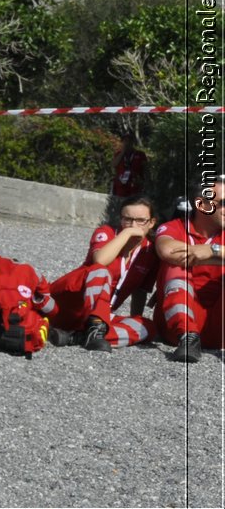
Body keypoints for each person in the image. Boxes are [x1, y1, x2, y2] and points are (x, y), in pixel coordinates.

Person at [45, 197, 159, 350]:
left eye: (140, 220)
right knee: (100, 270)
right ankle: (94, 329)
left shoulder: (149, 252)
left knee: (147, 327)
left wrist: (134, 318)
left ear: (151, 223)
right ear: (120, 219)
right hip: (65, 303)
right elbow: (100, 260)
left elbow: (140, 291)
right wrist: (127, 233)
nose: (133, 225)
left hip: (95, 316)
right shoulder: (106, 232)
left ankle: (79, 336)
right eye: (127, 219)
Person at [153, 176, 225, 363]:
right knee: (175, 264)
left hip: (218, 326)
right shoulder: (174, 227)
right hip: (177, 328)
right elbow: (168, 250)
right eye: (223, 203)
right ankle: (188, 336)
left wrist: (212, 250)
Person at [110, 131, 147, 202]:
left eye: (129, 140)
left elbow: (145, 169)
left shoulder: (140, 154)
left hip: (135, 186)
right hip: (120, 185)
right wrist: (122, 152)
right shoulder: (118, 154)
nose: (127, 142)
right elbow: (113, 165)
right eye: (125, 140)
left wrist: (144, 182)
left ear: (133, 142)